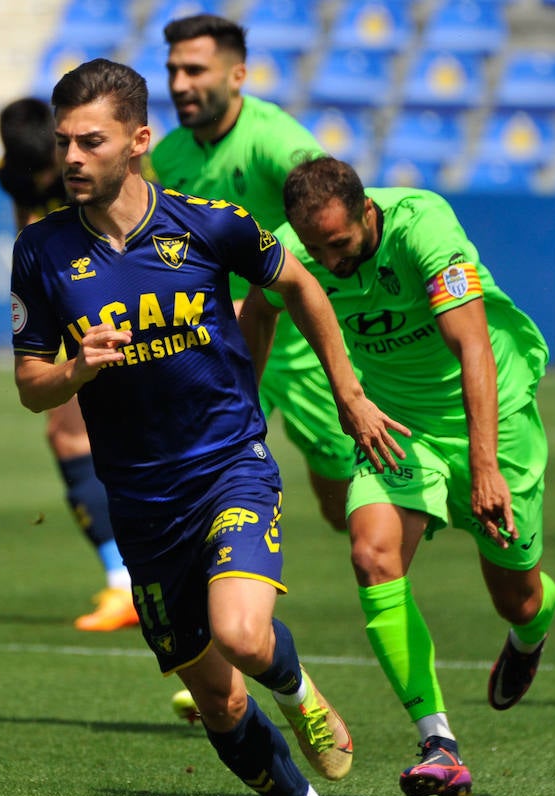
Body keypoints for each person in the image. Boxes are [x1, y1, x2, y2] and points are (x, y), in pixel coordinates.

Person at [12, 58, 405, 796]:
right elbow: (27, 384)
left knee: (241, 634)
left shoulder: (207, 224)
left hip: (229, 465)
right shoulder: (40, 251)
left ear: (139, 141)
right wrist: (76, 369)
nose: (73, 156)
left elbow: (299, 284)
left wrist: (348, 392)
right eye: (64, 142)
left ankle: (297, 690)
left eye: (92, 140)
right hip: (141, 504)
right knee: (221, 705)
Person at [243, 157, 555, 796]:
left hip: (488, 420)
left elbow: (471, 346)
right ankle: (438, 741)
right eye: (317, 248)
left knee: (518, 597)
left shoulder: (425, 227)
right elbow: (261, 308)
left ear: (366, 213)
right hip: (397, 426)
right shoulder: (296, 247)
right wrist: (244, 408)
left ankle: (531, 633)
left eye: (341, 245)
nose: (330, 261)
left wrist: (487, 467)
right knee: (372, 556)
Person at [148, 14, 358, 533]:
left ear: (237, 75)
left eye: (195, 70)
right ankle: (222, 608)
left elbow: (332, 209)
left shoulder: (273, 140)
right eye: (173, 71)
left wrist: (263, 286)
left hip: (302, 346)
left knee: (344, 510)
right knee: (201, 490)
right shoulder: (168, 155)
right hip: (220, 349)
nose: (180, 84)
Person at [0, 97, 138, 631]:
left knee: (83, 438)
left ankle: (131, 581)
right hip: (70, 302)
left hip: (117, 302)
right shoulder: (10, 171)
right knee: (70, 436)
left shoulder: (94, 169)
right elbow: (27, 232)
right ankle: (127, 578)